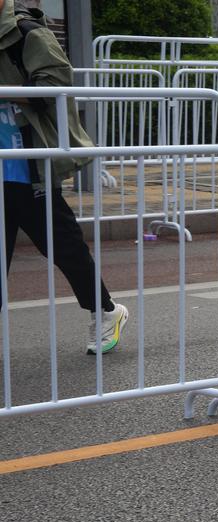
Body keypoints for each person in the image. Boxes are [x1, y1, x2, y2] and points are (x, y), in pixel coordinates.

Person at [0, 0, 127, 354]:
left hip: (28, 164)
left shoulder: (27, 33)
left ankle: (106, 312)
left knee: (63, 246)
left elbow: (56, 84)